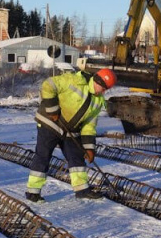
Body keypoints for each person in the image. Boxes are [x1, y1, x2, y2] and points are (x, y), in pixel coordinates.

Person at [26, 67, 117, 202]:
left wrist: (89, 148)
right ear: (95, 81)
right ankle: (33, 192)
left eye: (105, 90)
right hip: (50, 123)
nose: (102, 91)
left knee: (76, 158)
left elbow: (89, 125)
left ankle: (82, 190)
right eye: (102, 87)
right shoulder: (74, 80)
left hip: (70, 130)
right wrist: (52, 109)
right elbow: (48, 85)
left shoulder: (98, 101)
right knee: (43, 156)